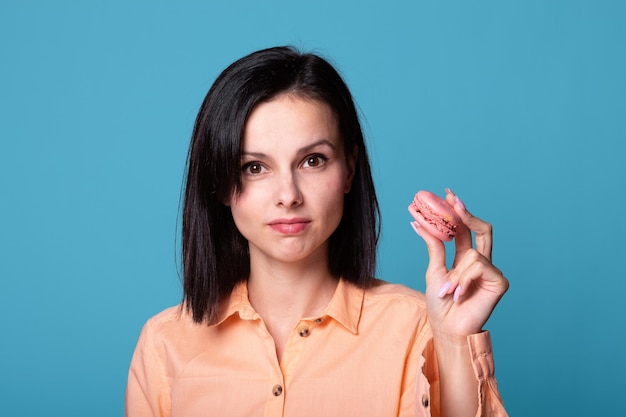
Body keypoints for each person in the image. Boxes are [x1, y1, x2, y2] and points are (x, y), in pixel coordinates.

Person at [125, 46, 509, 417]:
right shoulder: (164, 344)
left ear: (349, 168)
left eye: (313, 161)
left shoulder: (416, 328)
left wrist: (455, 341)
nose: (288, 196)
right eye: (254, 167)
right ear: (222, 183)